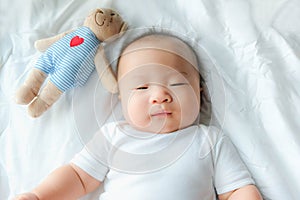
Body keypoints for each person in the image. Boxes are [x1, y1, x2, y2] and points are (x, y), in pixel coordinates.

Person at [14, 33, 262, 200]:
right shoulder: (115, 136)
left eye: (176, 84)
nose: (159, 96)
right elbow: (78, 177)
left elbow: (237, 190)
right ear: (121, 97)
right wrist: (39, 196)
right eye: (142, 88)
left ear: (200, 91)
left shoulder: (208, 140)